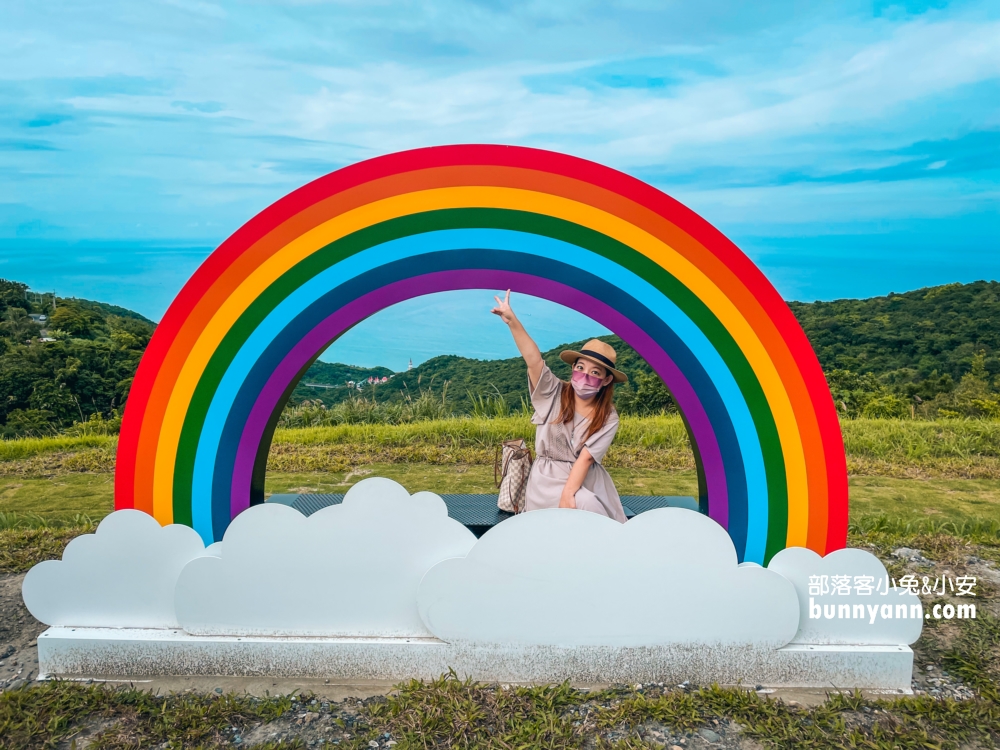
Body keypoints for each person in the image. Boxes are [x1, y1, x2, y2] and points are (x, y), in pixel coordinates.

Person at [491, 290, 628, 522]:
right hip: (546, 479)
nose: (585, 376)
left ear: (606, 380)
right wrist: (512, 321)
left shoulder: (608, 416)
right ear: (573, 368)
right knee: (582, 511)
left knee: (588, 506)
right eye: (580, 367)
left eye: (595, 373)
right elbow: (533, 360)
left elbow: (585, 459)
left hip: (586, 479)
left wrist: (569, 494)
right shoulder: (553, 392)